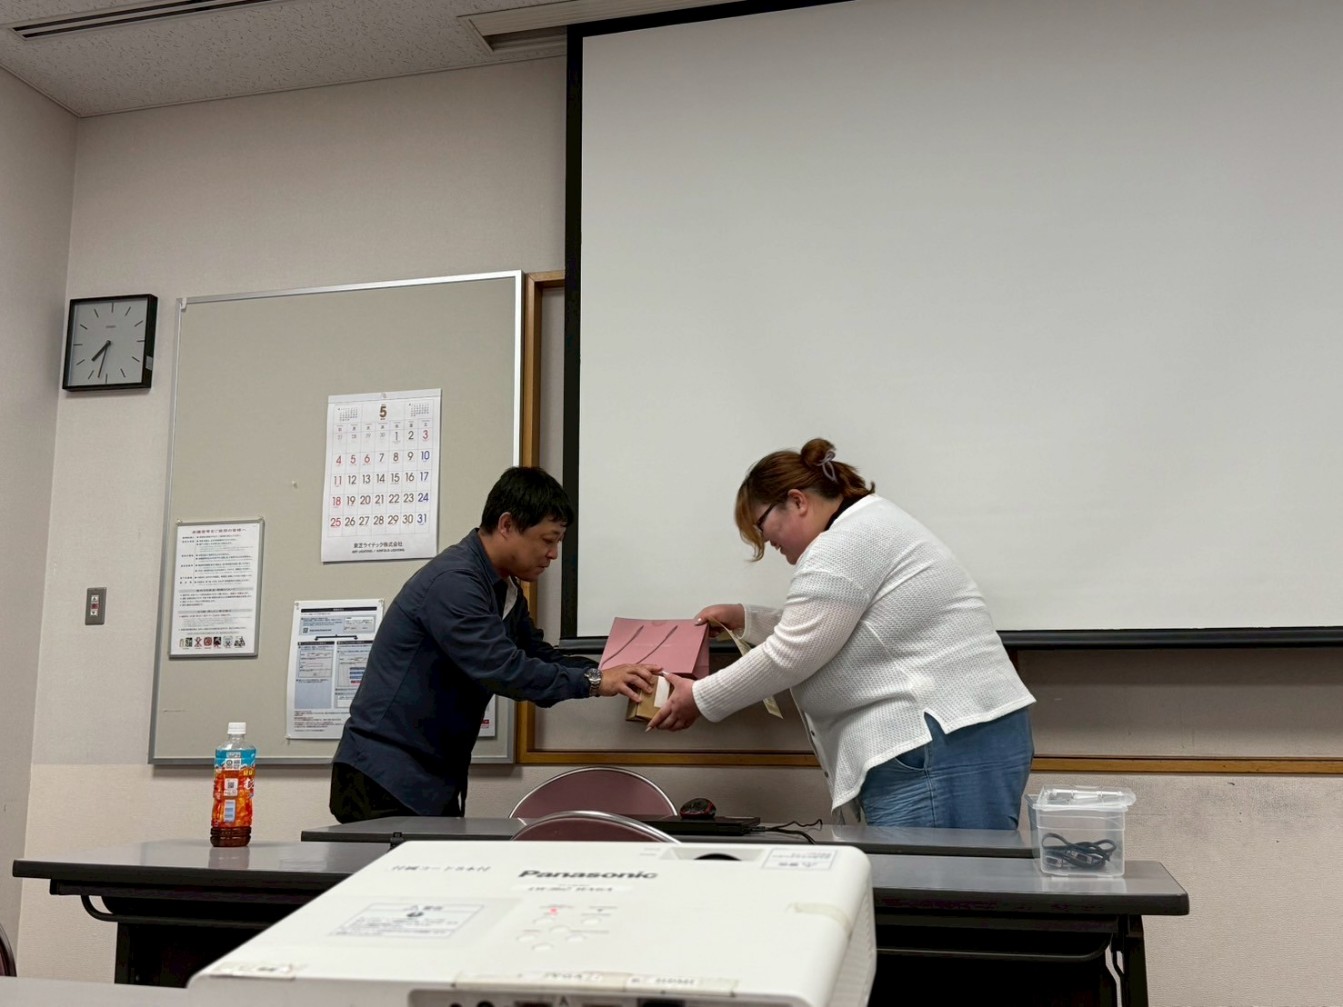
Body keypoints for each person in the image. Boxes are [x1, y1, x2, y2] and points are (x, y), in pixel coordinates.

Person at [648, 439, 1035, 830]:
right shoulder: (866, 525)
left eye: (761, 524)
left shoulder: (844, 543)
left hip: (938, 741)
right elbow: (839, 626)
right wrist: (747, 620)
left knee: (929, 870)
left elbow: (793, 653)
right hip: (952, 737)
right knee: (942, 867)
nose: (765, 541)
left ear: (797, 501)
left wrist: (699, 697)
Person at [330, 467, 658, 823]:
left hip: (430, 778)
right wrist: (596, 682)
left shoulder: (505, 588)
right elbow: (504, 669)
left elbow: (536, 655)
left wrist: (611, 673)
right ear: (507, 524)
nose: (553, 554)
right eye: (547, 540)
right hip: (384, 776)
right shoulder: (455, 582)